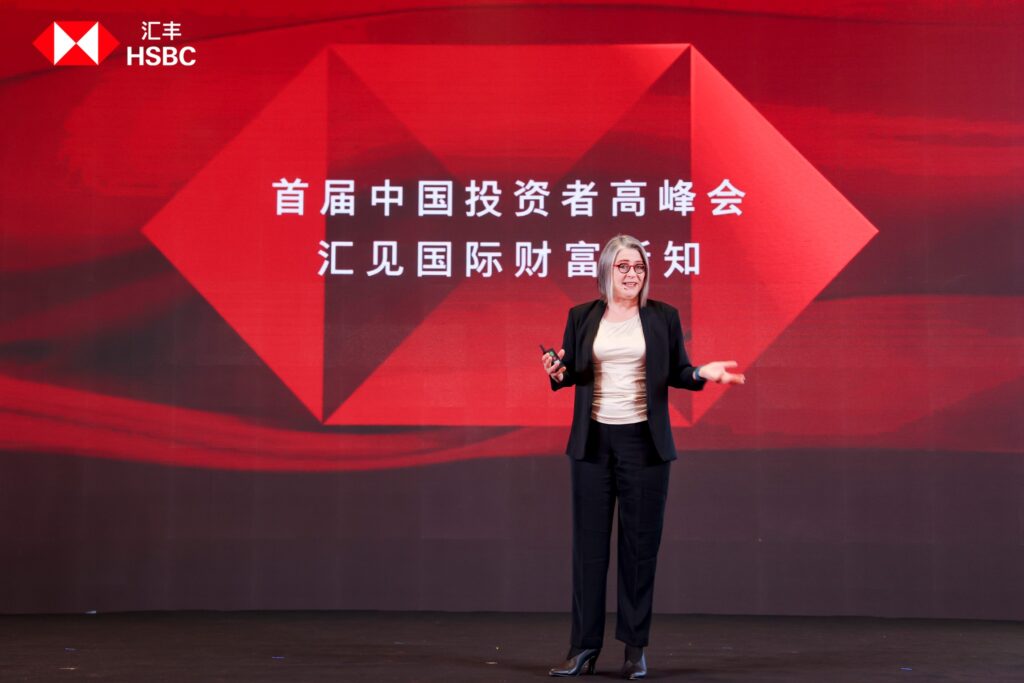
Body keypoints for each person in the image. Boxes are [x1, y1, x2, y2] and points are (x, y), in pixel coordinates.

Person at [542, 234, 745, 679]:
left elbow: (678, 371)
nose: (632, 274)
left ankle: (634, 649)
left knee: (639, 550)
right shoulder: (581, 316)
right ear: (606, 271)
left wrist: (702, 373)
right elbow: (572, 370)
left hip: (644, 446)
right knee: (588, 551)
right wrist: (556, 372)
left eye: (638, 267)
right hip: (592, 445)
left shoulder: (661, 317)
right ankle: (583, 648)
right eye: (623, 266)